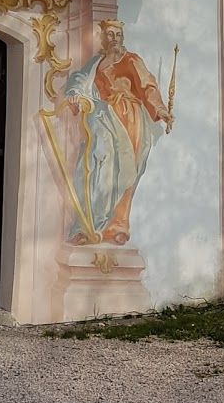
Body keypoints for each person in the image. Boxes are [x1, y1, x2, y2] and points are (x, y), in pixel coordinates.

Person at [59, 19, 172, 244]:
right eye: (109, 35)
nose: (114, 39)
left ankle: (118, 226)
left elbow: (147, 85)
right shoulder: (96, 63)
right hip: (101, 118)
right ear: (103, 38)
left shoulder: (131, 60)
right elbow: (78, 80)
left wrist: (160, 109)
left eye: (118, 35)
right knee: (94, 168)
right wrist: (74, 93)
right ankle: (87, 224)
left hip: (129, 118)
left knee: (126, 171)